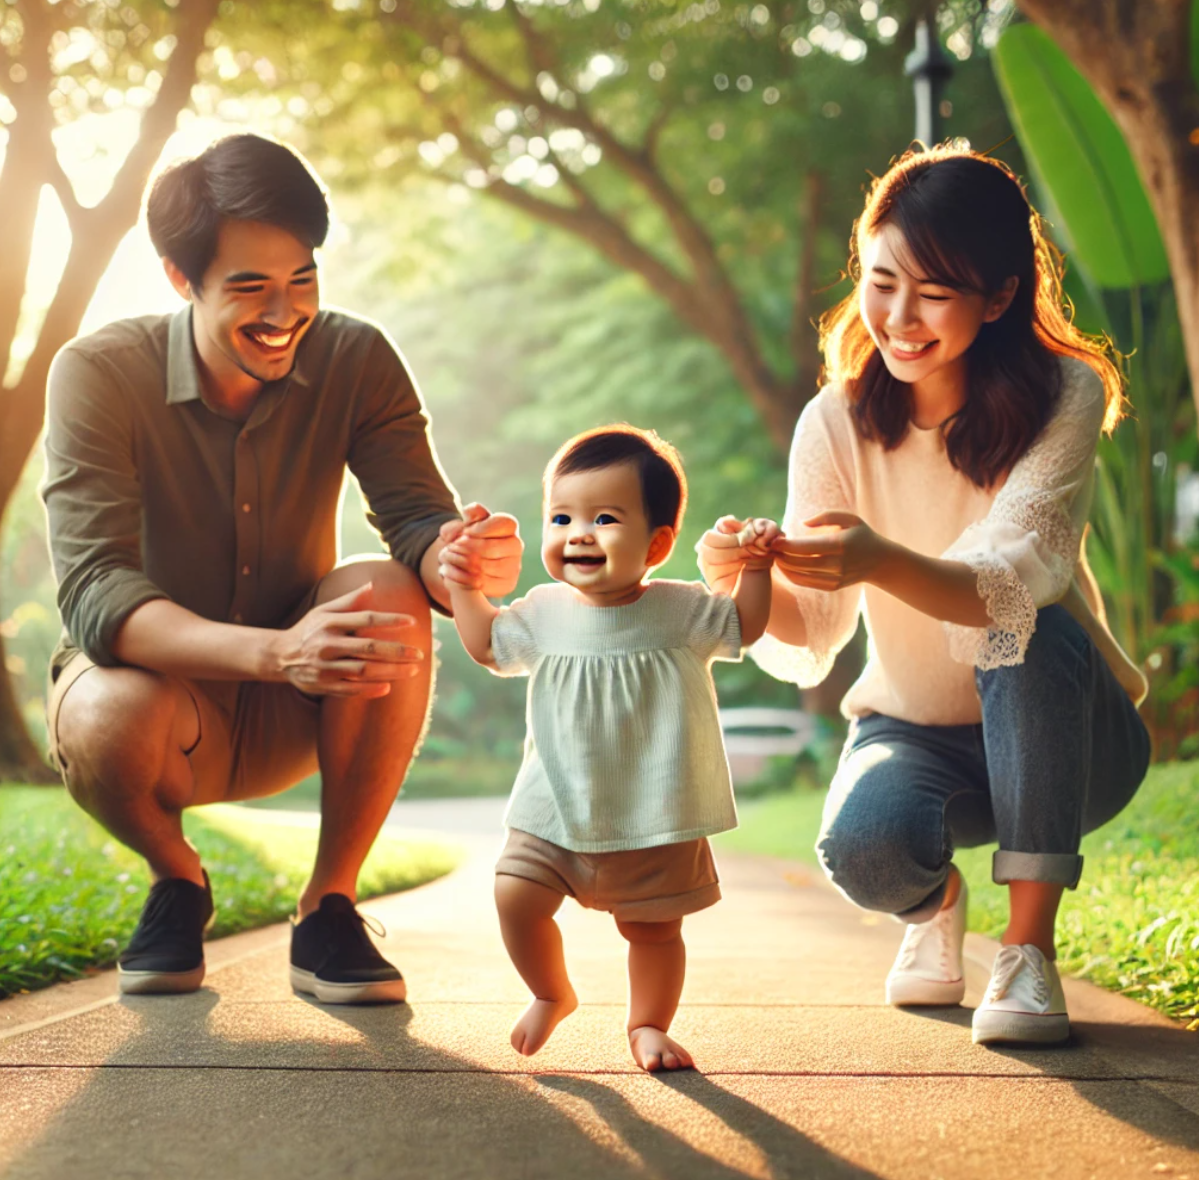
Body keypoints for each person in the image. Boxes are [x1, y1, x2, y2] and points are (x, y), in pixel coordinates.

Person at [41, 132, 522, 1001]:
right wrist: (272, 652)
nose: (283, 311)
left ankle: (328, 906)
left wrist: (457, 557)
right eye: (250, 288)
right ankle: (178, 879)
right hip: (162, 708)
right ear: (180, 279)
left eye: (301, 278)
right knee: (107, 706)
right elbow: (95, 591)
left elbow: (415, 519)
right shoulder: (98, 374)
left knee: (382, 587)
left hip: (304, 707)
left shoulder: (357, 358)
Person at [698, 147, 1150, 1047]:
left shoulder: (1065, 392)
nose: (899, 319)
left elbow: (1011, 580)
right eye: (880, 282)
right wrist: (751, 577)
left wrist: (874, 560)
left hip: (1073, 735)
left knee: (1024, 633)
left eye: (934, 292)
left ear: (999, 295)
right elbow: (813, 631)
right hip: (911, 731)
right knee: (864, 853)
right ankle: (936, 904)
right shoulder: (833, 421)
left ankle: (1025, 952)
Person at [438, 425, 779, 1071]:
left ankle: (647, 1025)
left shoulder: (681, 611)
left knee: (652, 932)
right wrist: (463, 586)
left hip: (657, 811)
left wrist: (755, 567)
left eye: (604, 517)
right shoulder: (540, 611)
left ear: (657, 542)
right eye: (561, 516)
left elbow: (747, 624)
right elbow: (486, 647)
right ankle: (551, 991)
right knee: (515, 895)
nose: (578, 533)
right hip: (554, 806)